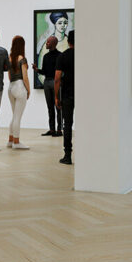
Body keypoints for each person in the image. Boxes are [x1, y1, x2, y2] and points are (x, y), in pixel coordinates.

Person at [33, 35, 62, 136]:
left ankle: (59, 130)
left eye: (48, 42)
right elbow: (45, 71)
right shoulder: (46, 56)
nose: (46, 43)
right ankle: (52, 129)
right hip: (47, 82)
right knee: (50, 107)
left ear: (53, 44)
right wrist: (37, 70)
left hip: (55, 82)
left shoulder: (60, 56)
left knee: (58, 106)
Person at [6, 35, 31, 150]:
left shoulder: (10, 58)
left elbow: (9, 75)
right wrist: (28, 90)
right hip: (20, 87)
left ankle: (10, 140)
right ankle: (16, 142)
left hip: (11, 87)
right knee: (17, 117)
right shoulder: (22, 59)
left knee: (14, 115)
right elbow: (25, 77)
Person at [55, 30, 75, 165]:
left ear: (68, 42)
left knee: (67, 124)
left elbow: (57, 78)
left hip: (67, 94)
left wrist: (56, 97)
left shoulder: (63, 56)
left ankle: (67, 155)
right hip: (83, 94)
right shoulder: (85, 55)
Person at [36, 11, 71, 84]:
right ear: (55, 24)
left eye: (65, 23)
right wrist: (47, 83)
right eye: (60, 23)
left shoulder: (69, 43)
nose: (63, 25)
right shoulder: (46, 46)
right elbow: (41, 71)